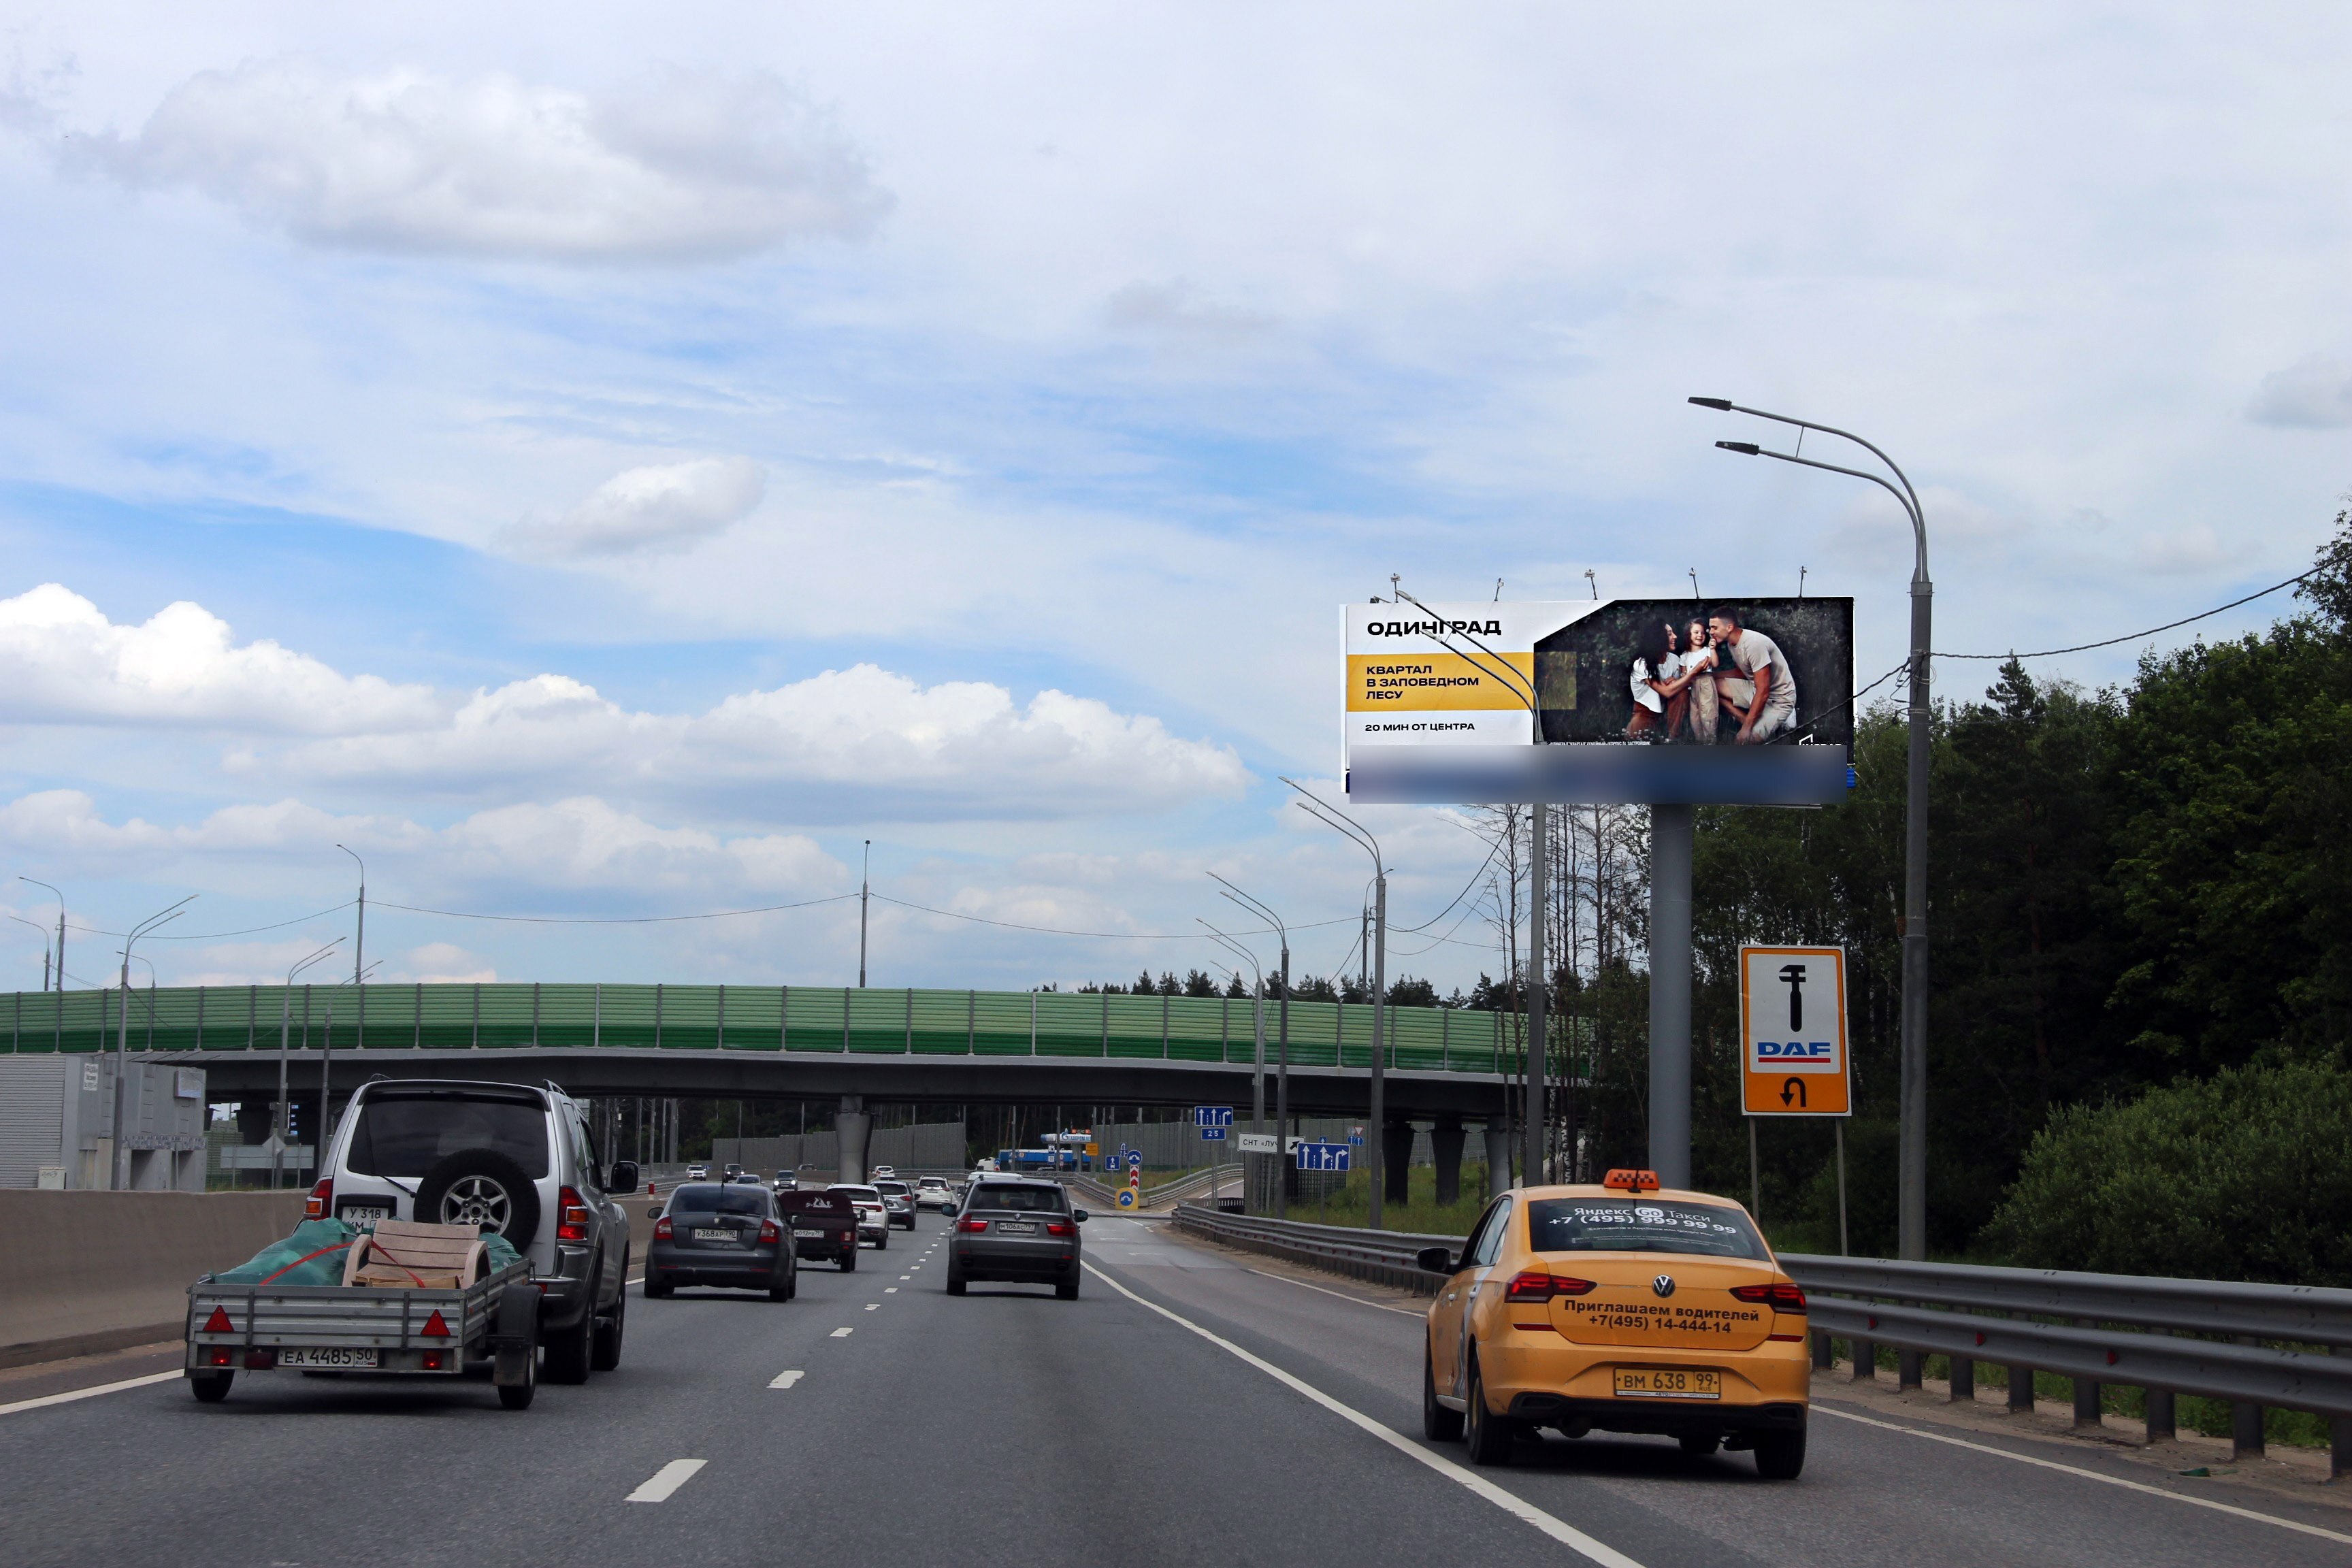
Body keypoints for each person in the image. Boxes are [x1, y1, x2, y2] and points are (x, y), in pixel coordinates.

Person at [1705, 606, 1797, 743]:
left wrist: (1746, 730)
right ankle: (1747, 720)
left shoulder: (1753, 644)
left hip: (1780, 698)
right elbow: (1740, 672)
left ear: (1729, 627)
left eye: (1715, 628)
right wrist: (1709, 676)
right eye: (1710, 628)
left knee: (1747, 742)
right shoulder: (1732, 643)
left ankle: (1784, 716)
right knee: (1709, 686)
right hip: (1755, 689)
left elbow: (1763, 691)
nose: (1711, 632)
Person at [1625, 621, 1705, 739]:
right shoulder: (1641, 664)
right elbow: (1666, 691)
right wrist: (1694, 672)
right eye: (1669, 634)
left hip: (1669, 708)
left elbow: (1680, 688)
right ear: (1658, 639)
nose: (1675, 637)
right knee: (1632, 738)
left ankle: (1672, 738)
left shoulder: (1674, 659)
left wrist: (1676, 682)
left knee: (1682, 692)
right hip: (1645, 711)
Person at [1681, 615, 1722, 742]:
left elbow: (1715, 664)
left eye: (1703, 633)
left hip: (1706, 683)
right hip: (1692, 687)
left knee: (1709, 714)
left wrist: (1713, 649)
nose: (1700, 635)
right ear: (1689, 635)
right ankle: (1700, 741)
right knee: (1695, 717)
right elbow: (1684, 674)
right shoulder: (1685, 656)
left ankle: (1710, 741)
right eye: (1696, 632)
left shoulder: (1707, 650)